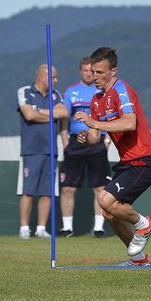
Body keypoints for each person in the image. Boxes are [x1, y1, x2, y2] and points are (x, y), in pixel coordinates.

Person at [73, 47, 151, 267]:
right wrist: (88, 136)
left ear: (114, 71)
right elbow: (96, 136)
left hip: (146, 160)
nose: (95, 77)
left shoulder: (123, 90)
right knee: (110, 214)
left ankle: (145, 224)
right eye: (93, 72)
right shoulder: (96, 100)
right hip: (128, 163)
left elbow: (130, 123)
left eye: (100, 72)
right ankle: (139, 260)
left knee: (104, 199)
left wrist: (94, 123)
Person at [59, 57, 111, 238]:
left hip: (97, 143)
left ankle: (98, 227)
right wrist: (65, 142)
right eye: (85, 71)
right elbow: (64, 117)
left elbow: (110, 118)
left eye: (92, 71)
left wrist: (106, 142)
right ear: (80, 71)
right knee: (68, 187)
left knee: (99, 187)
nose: (89, 74)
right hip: (75, 143)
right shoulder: (71, 92)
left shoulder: (101, 92)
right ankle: (67, 227)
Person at [16, 64, 69, 239]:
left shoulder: (57, 94)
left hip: (51, 150)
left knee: (47, 192)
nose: (56, 81)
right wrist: (51, 114)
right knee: (28, 190)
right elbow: (29, 115)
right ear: (42, 76)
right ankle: (24, 228)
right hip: (31, 150)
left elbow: (65, 113)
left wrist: (40, 111)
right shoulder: (24, 91)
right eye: (53, 77)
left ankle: (41, 228)